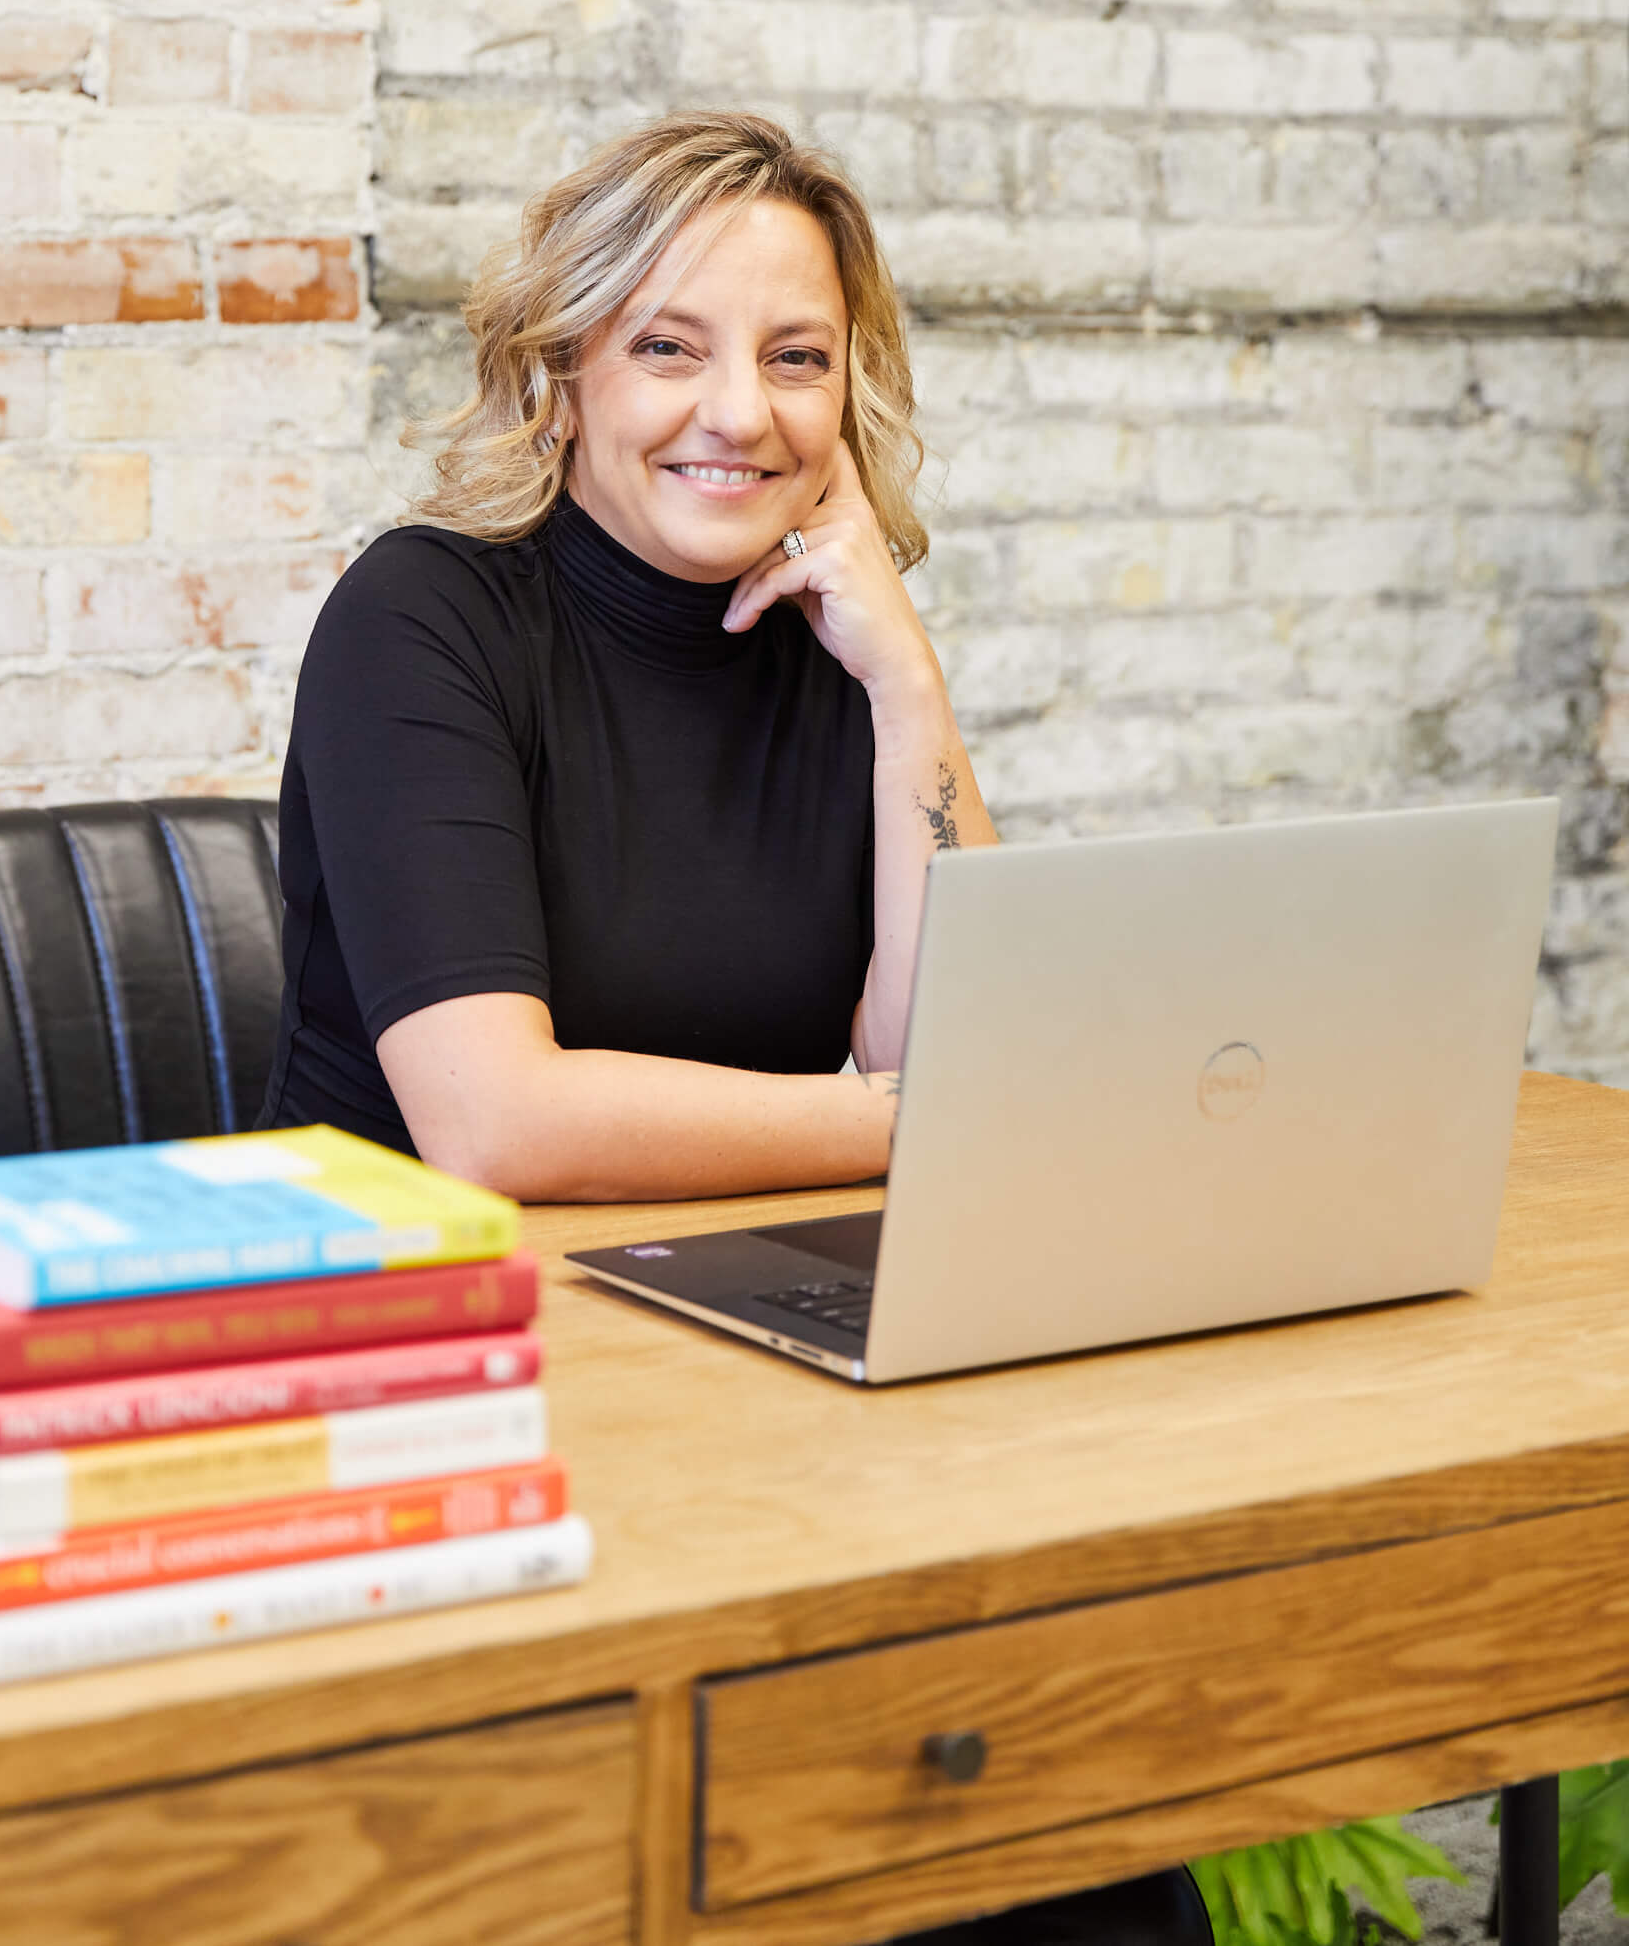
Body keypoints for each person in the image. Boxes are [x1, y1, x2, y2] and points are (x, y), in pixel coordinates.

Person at [259, 110, 1208, 1946]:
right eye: (667, 345)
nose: (738, 412)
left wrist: (908, 689)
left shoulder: (829, 653)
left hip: (741, 1361)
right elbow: (497, 1124)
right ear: (562, 379)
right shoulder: (425, 621)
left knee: (1058, 1843)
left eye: (795, 358)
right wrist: (906, 1123)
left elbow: (959, 1035)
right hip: (453, 1398)